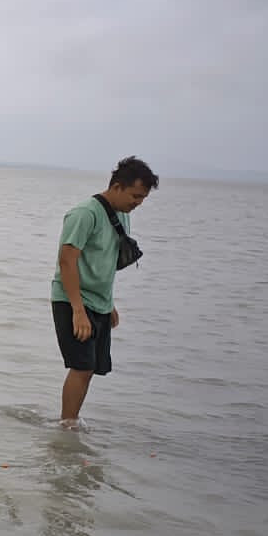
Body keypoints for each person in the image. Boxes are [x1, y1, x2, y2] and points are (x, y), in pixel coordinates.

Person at [50, 155, 159, 426]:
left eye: (143, 198)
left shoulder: (122, 215)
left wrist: (108, 303)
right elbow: (67, 261)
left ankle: (71, 423)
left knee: (91, 370)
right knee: (81, 366)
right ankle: (67, 427)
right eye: (135, 196)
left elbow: (105, 262)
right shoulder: (85, 213)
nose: (138, 203)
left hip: (99, 302)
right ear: (117, 186)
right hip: (71, 299)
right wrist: (78, 310)